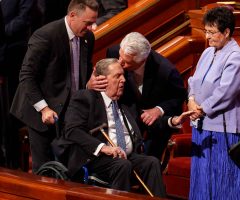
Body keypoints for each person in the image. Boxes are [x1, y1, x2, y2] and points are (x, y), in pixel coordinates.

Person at [10, 0, 106, 173]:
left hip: (70, 113)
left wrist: (88, 84)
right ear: (72, 16)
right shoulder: (46, 35)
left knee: (70, 168)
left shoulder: (88, 38)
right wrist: (44, 108)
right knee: (45, 169)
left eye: (94, 23)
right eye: (88, 23)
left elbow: (76, 75)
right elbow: (26, 76)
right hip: (40, 110)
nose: (92, 28)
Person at [62, 58, 166, 197]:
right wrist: (103, 147)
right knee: (122, 165)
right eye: (117, 76)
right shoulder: (85, 98)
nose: (123, 80)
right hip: (96, 158)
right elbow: (72, 130)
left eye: (123, 75)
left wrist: (172, 120)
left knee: (151, 162)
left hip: (126, 156)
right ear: (103, 80)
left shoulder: (125, 102)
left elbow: (146, 119)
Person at [187, 7, 240, 200]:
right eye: (206, 31)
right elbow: (194, 80)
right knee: (202, 181)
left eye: (212, 32)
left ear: (226, 32)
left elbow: (226, 92)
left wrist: (202, 109)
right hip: (201, 126)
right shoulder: (207, 53)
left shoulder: (236, 56)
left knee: (223, 181)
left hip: (225, 131)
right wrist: (191, 100)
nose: (208, 37)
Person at [106, 32, 186, 161]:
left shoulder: (166, 71)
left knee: (149, 161)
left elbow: (178, 97)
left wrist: (159, 109)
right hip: (124, 113)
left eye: (126, 62)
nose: (119, 63)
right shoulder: (113, 52)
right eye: (120, 57)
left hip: (152, 124)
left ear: (142, 60)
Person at [0, 0, 36, 169]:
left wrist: (2, 31)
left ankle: (13, 163)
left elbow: (24, 19)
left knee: (12, 116)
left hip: (14, 57)